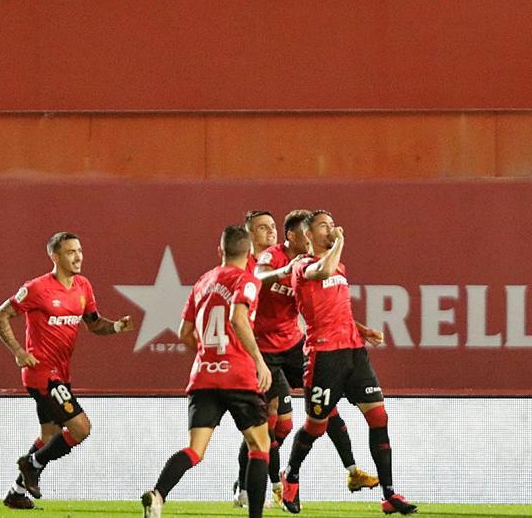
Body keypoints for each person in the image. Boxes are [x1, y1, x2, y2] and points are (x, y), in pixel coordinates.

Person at [232, 210, 377, 508]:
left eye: (272, 226)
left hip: (292, 344)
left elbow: (321, 306)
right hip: (264, 350)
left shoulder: (309, 263)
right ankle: (253, 482)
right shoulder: (273, 257)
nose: (270, 232)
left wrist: (358, 329)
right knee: (274, 423)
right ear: (295, 236)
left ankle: (351, 471)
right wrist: (284, 271)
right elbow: (258, 279)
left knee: (326, 404)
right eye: (264, 228)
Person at [278, 211, 417, 515]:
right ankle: (291, 475)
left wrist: (362, 329)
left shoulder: (337, 264)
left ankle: (389, 494)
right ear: (308, 235)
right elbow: (322, 271)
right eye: (324, 226)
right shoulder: (302, 265)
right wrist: (338, 243)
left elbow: (335, 308)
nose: (332, 229)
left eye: (332, 224)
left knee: (379, 417)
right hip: (324, 356)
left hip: (354, 352)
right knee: (316, 425)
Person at [0, 232, 134, 508]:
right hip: (42, 374)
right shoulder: (36, 288)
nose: (78, 256)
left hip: (62, 374)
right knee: (81, 428)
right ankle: (32, 464)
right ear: (54, 257)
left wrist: (116, 326)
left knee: (49, 437)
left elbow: (93, 324)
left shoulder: (83, 286)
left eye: (79, 250)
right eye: (70, 252)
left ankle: (16, 493)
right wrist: (19, 352)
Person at [141, 225, 272, 518]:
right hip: (238, 376)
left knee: (195, 450)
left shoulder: (203, 282)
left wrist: (207, 354)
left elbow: (183, 331)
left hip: (203, 376)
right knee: (260, 445)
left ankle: (158, 494)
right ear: (249, 252)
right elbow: (239, 319)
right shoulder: (247, 280)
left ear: (220, 251)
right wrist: (258, 361)